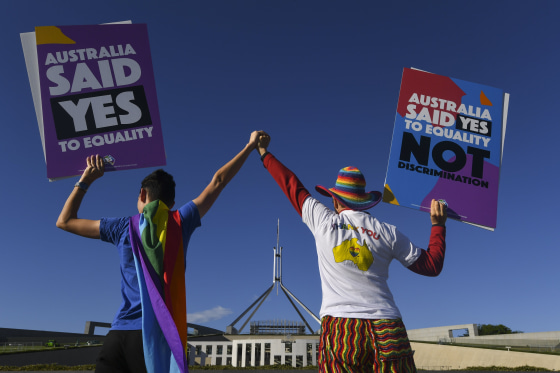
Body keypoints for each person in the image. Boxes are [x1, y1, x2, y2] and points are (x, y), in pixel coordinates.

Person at [56, 130, 266, 373]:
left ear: (143, 194)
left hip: (118, 336)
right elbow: (218, 181)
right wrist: (250, 146)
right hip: (152, 337)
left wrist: (85, 180)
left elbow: (65, 221)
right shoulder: (180, 221)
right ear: (172, 204)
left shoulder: (123, 227)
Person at [256, 133, 447, 373]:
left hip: (341, 327)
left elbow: (291, 184)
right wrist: (438, 225)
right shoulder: (388, 232)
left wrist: (264, 152)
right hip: (388, 325)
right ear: (365, 201)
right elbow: (431, 266)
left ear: (335, 201)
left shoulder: (323, 221)